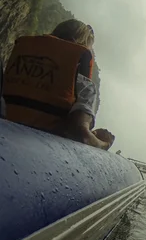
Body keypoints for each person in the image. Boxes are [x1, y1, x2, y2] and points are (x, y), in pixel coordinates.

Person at [2, 19, 115, 150]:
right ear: (83, 46)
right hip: (36, 146)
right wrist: (104, 143)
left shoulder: (20, 61)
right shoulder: (84, 85)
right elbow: (82, 136)